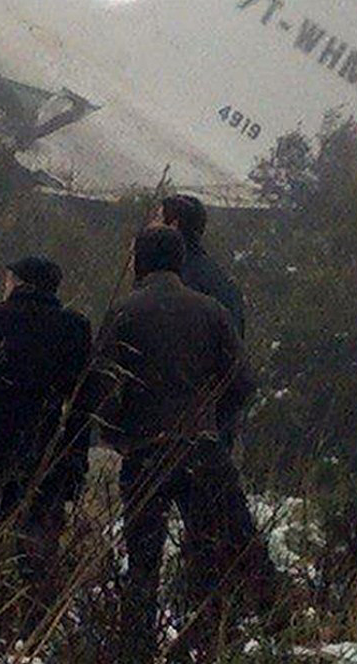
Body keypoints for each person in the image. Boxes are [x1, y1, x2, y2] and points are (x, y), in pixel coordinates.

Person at [92, 227, 283, 662]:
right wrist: (213, 422)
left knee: (143, 561)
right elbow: (243, 382)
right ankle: (202, 646)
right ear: (179, 261)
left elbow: (102, 386)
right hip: (201, 450)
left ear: (141, 261)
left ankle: (136, 648)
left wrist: (117, 435)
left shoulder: (124, 312)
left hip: (145, 453)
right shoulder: (211, 310)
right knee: (207, 555)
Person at [0, 255, 93, 633]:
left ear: (18, 282)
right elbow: (82, 404)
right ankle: (32, 632)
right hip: (44, 455)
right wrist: (73, 461)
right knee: (37, 552)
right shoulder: (74, 328)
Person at [158, 194, 246, 339]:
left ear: (173, 225)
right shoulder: (221, 279)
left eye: (157, 219)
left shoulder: (176, 279)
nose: (150, 226)